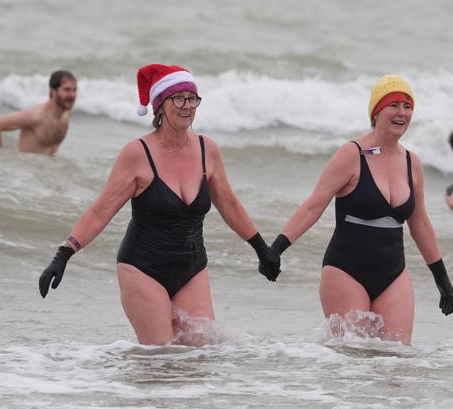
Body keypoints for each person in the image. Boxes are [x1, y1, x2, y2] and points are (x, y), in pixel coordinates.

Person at [38, 64, 280, 346]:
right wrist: (64, 254)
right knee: (159, 361)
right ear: (160, 106)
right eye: (179, 98)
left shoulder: (207, 149)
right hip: (142, 268)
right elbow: (101, 210)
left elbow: (229, 203)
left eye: (192, 99)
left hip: (192, 268)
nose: (187, 106)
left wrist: (262, 249)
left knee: (199, 359)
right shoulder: (137, 154)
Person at [266, 75, 453, 346]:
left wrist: (441, 278)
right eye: (393, 105)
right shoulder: (351, 154)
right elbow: (314, 205)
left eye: (407, 106)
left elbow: (420, 224)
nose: (401, 113)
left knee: (396, 362)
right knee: (353, 361)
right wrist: (275, 249)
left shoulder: (411, 162)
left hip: (393, 273)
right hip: (346, 271)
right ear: (376, 112)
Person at [0, 70, 77, 155]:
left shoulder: (66, 114)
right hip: (26, 170)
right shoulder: (36, 116)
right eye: (67, 90)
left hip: (47, 170)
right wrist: (0, 160)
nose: (72, 95)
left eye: (74, 90)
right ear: (53, 92)